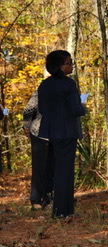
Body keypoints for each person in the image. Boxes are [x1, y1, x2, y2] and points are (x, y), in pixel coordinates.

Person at [38, 50, 86, 220]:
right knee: (65, 170)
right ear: (59, 66)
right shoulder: (68, 84)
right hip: (67, 131)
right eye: (68, 63)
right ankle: (62, 210)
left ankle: (62, 208)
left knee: (58, 169)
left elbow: (42, 109)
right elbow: (75, 109)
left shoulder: (44, 85)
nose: (71, 66)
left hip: (52, 131)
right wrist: (83, 106)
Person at [23, 90, 55, 210]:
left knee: (42, 167)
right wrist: (27, 127)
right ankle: (42, 199)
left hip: (44, 133)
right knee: (48, 167)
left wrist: (26, 127)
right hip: (50, 133)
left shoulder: (42, 91)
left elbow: (28, 110)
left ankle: (40, 199)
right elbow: (29, 110)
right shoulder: (62, 90)